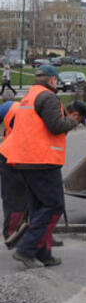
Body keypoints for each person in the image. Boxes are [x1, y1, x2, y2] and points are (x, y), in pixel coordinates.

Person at [0, 65, 86, 269]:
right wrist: (71, 122)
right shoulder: (49, 98)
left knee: (38, 207)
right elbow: (55, 126)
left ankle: (43, 253)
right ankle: (26, 249)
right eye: (56, 80)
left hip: (26, 160)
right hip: (42, 160)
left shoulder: (30, 96)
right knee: (53, 205)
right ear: (52, 80)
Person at [0, 100, 27, 248]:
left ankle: (17, 233)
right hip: (12, 158)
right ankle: (10, 235)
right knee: (14, 199)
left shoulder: (12, 107)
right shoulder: (12, 108)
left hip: (14, 155)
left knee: (21, 199)